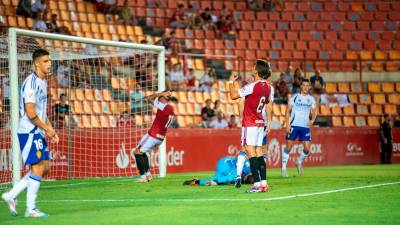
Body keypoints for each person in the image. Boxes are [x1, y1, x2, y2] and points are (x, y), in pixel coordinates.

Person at [2, 49, 59, 218]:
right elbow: (30, 112)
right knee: (37, 168)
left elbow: (41, 112)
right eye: (46, 61)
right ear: (37, 63)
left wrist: (51, 129)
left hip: (38, 130)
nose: (49, 63)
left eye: (50, 61)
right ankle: (30, 209)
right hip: (28, 130)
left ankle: (11, 196)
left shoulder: (43, 81)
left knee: (44, 168)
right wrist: (46, 128)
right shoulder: (31, 83)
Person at [228, 59, 273, 193]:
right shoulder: (269, 87)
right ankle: (264, 184)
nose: (251, 68)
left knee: (250, 151)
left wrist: (231, 82)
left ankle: (257, 184)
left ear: (256, 70)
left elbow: (233, 95)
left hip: (250, 122)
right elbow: (268, 101)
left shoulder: (253, 86)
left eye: (253, 67)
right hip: (260, 122)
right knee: (259, 152)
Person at [134, 91, 175, 182]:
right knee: (140, 151)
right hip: (159, 136)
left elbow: (150, 99)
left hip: (155, 135)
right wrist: (161, 94)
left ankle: (143, 177)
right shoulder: (168, 108)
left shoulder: (165, 107)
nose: (158, 100)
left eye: (160, 98)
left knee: (138, 153)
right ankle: (148, 174)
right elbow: (150, 100)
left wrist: (160, 94)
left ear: (163, 98)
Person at [281, 79, 318, 177]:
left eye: (307, 85)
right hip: (294, 125)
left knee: (307, 149)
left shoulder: (311, 99)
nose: (306, 87)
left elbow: (315, 111)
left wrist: (312, 120)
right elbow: (287, 111)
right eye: (304, 85)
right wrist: (287, 125)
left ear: (310, 87)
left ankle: (299, 162)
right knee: (288, 148)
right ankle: (284, 168)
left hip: (305, 126)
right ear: (301, 87)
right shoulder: (295, 97)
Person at [183, 155, 252, 186]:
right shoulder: (237, 174)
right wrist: (216, 182)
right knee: (220, 179)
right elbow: (227, 179)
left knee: (226, 179)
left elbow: (239, 155)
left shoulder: (250, 166)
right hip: (225, 164)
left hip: (225, 159)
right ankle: (197, 181)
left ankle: (197, 181)